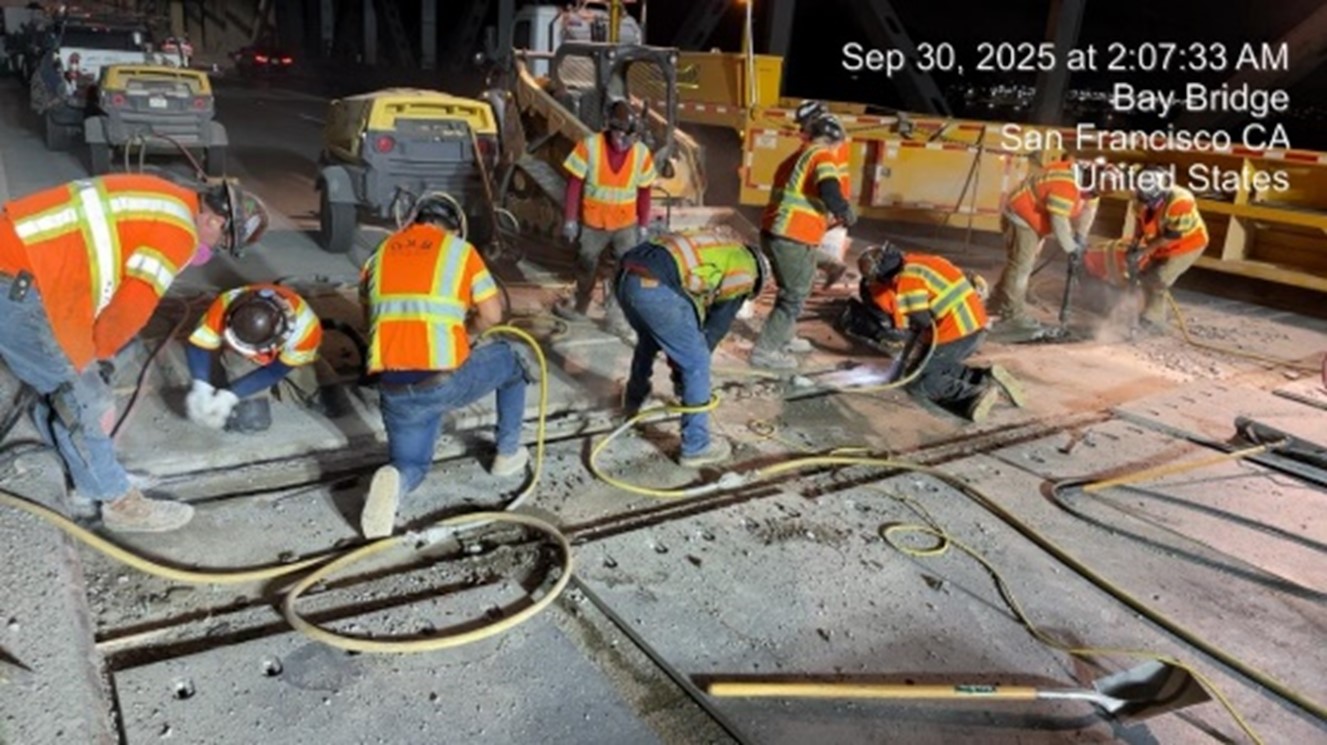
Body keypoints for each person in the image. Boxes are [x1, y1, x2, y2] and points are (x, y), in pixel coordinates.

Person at [0, 174, 269, 532]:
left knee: (72, 378)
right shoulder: (178, 232)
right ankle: (116, 501)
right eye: (221, 242)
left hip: (26, 265)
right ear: (214, 221)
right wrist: (96, 357)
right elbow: (131, 306)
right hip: (18, 281)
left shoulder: (167, 197)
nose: (213, 250)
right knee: (84, 399)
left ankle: (87, 471)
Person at [359, 194, 535, 539]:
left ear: (414, 221)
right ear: (455, 228)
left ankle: (397, 480)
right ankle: (507, 453)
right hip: (442, 380)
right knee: (513, 357)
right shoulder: (460, 252)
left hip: (393, 387)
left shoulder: (379, 254)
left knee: (413, 465)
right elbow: (492, 316)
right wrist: (466, 334)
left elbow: (370, 319)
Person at [616, 230, 768, 467]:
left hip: (625, 278)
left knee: (650, 338)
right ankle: (696, 446)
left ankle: (633, 404)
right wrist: (684, 376)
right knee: (697, 361)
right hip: (654, 286)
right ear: (758, 278)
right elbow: (714, 329)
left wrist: (680, 364)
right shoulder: (745, 271)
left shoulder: (723, 246)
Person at [857, 243, 1016, 423]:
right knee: (935, 365)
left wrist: (911, 351)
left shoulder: (905, 281)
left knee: (919, 382)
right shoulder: (920, 261)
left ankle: (972, 395)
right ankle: (982, 378)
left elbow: (922, 321)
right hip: (976, 324)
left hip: (956, 332)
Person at [750, 112, 856, 370]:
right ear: (834, 140)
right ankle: (765, 351)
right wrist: (844, 211)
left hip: (780, 233)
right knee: (794, 295)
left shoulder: (795, 158)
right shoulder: (822, 156)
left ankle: (784, 336)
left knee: (796, 280)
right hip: (791, 234)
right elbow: (829, 189)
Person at [556, 98, 657, 339]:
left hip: (625, 223)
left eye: (630, 138)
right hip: (594, 222)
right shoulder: (589, 146)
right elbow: (574, 185)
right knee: (586, 260)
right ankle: (582, 302)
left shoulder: (641, 153)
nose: (624, 143)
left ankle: (616, 315)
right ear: (611, 128)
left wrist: (643, 224)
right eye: (620, 136)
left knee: (626, 268)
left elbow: (645, 192)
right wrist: (570, 219)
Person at [183, 283, 326, 433]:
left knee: (325, 399)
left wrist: (230, 396)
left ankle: (311, 388)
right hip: (241, 353)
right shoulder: (225, 304)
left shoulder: (307, 330)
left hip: (288, 356)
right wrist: (201, 385)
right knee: (252, 420)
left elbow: (275, 371)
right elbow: (199, 345)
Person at [990, 157, 1101, 333]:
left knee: (1020, 264)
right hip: (1022, 217)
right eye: (1091, 192)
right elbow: (1059, 222)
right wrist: (1071, 249)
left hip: (1035, 219)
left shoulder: (1092, 180)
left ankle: (997, 301)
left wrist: (1081, 237)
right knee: (1021, 266)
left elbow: (1089, 209)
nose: (1091, 196)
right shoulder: (1066, 184)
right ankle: (1012, 316)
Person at [1126, 166, 1209, 332]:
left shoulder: (1181, 201)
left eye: (1151, 202)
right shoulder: (1140, 196)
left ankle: (1154, 321)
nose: (1147, 205)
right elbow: (1140, 221)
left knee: (1160, 278)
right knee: (1144, 275)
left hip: (1188, 244)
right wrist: (1135, 243)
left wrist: (1144, 251)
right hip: (1160, 243)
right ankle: (1145, 311)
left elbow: (1172, 236)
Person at [793, 101, 854, 291]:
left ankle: (808, 279)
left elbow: (819, 168)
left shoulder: (824, 139)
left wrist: (837, 207)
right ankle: (822, 271)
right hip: (832, 197)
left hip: (827, 198)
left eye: (804, 123)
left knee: (804, 240)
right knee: (809, 241)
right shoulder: (833, 133)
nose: (802, 128)